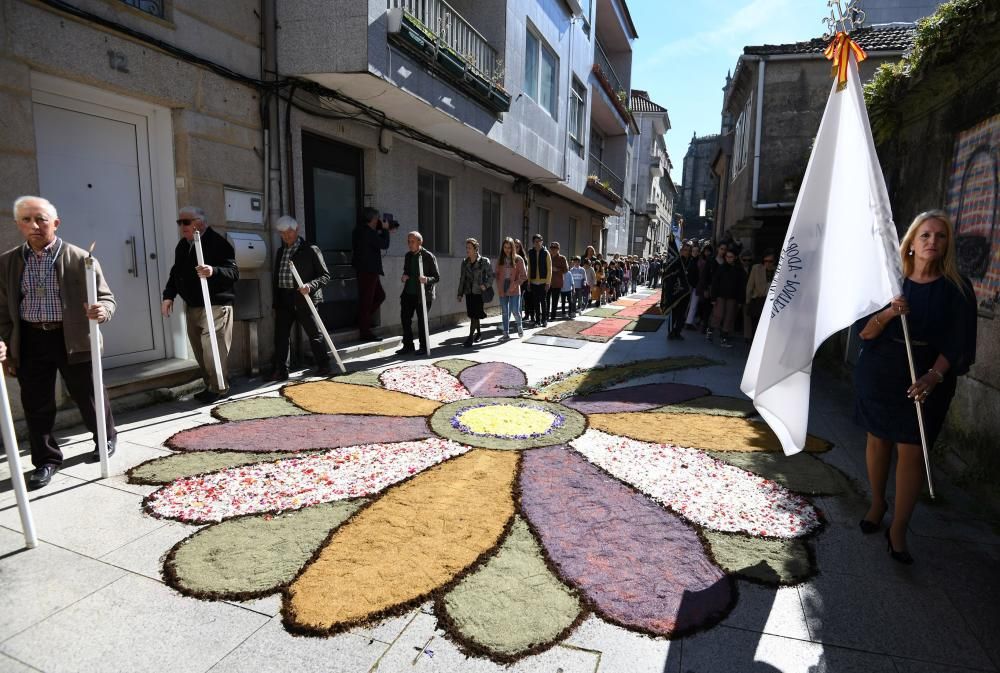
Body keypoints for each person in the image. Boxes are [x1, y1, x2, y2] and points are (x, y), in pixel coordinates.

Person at [854, 210, 977, 564]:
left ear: (947, 244)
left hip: (927, 378)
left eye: (940, 236)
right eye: (925, 235)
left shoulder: (957, 288)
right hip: (880, 370)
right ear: (911, 241)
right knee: (878, 440)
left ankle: (899, 529)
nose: (932, 242)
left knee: (912, 449)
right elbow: (865, 331)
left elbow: (957, 343)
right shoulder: (888, 281)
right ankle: (878, 504)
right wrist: (891, 312)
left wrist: (933, 377)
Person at [0, 196, 117, 489]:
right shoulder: (8, 262)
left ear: (56, 223)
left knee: (89, 395)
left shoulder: (81, 258)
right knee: (36, 403)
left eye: (40, 219)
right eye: (26, 220)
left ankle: (105, 438)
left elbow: (106, 298)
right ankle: (46, 461)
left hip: (74, 337)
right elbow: (2, 309)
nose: (34, 226)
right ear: (18, 225)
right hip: (30, 339)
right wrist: (5, 345)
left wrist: (102, 311)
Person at [162, 206, 238, 403]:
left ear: (201, 222)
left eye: (186, 222)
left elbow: (233, 273)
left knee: (213, 348)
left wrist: (213, 271)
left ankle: (219, 387)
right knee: (199, 349)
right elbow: (176, 273)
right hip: (193, 305)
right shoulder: (183, 245)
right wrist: (168, 296)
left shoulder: (218, 243)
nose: (182, 226)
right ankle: (210, 384)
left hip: (215, 305)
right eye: (180, 222)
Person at [270, 215, 331, 380]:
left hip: (305, 298)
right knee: (281, 336)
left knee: (314, 334)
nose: (285, 236)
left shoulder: (310, 249)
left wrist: (310, 286)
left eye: (288, 232)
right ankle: (281, 370)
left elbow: (325, 276)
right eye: (282, 233)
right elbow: (277, 278)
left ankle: (324, 365)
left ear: (296, 230)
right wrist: (276, 302)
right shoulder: (280, 251)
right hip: (284, 298)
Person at [352, 207, 391, 342]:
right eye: (377, 218)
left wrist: (381, 231)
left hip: (365, 270)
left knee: (379, 296)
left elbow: (372, 242)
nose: (378, 220)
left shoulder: (358, 231)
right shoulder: (368, 233)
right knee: (367, 302)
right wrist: (385, 230)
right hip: (369, 271)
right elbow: (384, 244)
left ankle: (362, 319)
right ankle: (365, 331)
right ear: (372, 219)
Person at [398, 231, 440, 355]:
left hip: (423, 295)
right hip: (408, 293)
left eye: (412, 242)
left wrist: (427, 279)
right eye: (408, 242)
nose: (410, 244)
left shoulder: (428, 256)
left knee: (422, 321)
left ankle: (423, 346)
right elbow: (407, 271)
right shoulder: (408, 256)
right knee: (405, 319)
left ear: (419, 242)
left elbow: (436, 277)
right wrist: (404, 276)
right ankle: (408, 345)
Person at [457, 238, 493, 348]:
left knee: (474, 315)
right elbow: (462, 278)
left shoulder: (484, 261)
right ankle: (479, 333)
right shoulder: (465, 262)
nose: (467, 250)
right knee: (474, 315)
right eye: (466, 248)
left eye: (469, 248)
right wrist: (460, 293)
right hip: (469, 292)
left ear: (476, 249)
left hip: (478, 292)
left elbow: (491, 276)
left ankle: (470, 337)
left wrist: (485, 285)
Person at [708, 249, 745, 348]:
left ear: (735, 257)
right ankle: (711, 329)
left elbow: (741, 286)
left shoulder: (739, 270)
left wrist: (740, 300)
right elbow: (715, 283)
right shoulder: (721, 268)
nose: (729, 259)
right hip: (720, 295)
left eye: (731, 257)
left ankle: (724, 337)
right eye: (727, 257)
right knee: (718, 314)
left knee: (729, 317)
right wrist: (713, 298)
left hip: (732, 297)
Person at [495, 237, 527, 338]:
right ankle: (506, 332)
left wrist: (515, 284)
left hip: (514, 286)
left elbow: (524, 276)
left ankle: (519, 326)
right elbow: (497, 273)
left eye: (509, 247)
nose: (507, 249)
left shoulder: (518, 259)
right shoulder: (500, 259)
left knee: (515, 310)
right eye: (505, 247)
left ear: (513, 247)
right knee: (505, 311)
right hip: (502, 287)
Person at [745, 250, 776, 344]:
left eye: (770, 261)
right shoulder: (756, 268)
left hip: (770, 301)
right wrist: (748, 299)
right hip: (758, 299)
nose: (768, 263)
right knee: (756, 323)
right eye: (765, 261)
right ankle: (755, 342)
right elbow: (750, 284)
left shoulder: (778, 270)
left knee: (767, 324)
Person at [667, 243, 694, 340]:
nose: (687, 252)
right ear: (681, 251)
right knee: (675, 312)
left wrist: (691, 285)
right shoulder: (676, 262)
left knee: (682, 313)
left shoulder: (692, 262)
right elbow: (671, 277)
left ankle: (677, 331)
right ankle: (671, 332)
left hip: (687, 292)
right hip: (676, 291)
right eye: (685, 250)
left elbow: (695, 276)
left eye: (689, 250)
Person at [526, 234, 551, 327]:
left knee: (543, 301)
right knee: (535, 302)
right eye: (536, 241)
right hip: (533, 282)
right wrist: (528, 282)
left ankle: (544, 320)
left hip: (543, 282)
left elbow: (549, 269)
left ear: (542, 242)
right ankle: (537, 320)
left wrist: (548, 282)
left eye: (540, 241)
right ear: (533, 242)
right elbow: (529, 268)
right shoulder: (530, 252)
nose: (538, 243)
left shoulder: (546, 252)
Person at [547, 242, 568, 322]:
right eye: (551, 248)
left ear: (558, 249)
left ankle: (553, 316)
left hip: (557, 283)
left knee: (555, 301)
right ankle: (546, 315)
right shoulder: (547, 256)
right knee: (546, 300)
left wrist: (557, 269)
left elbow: (566, 270)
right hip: (548, 282)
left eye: (555, 248)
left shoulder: (562, 258)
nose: (553, 250)